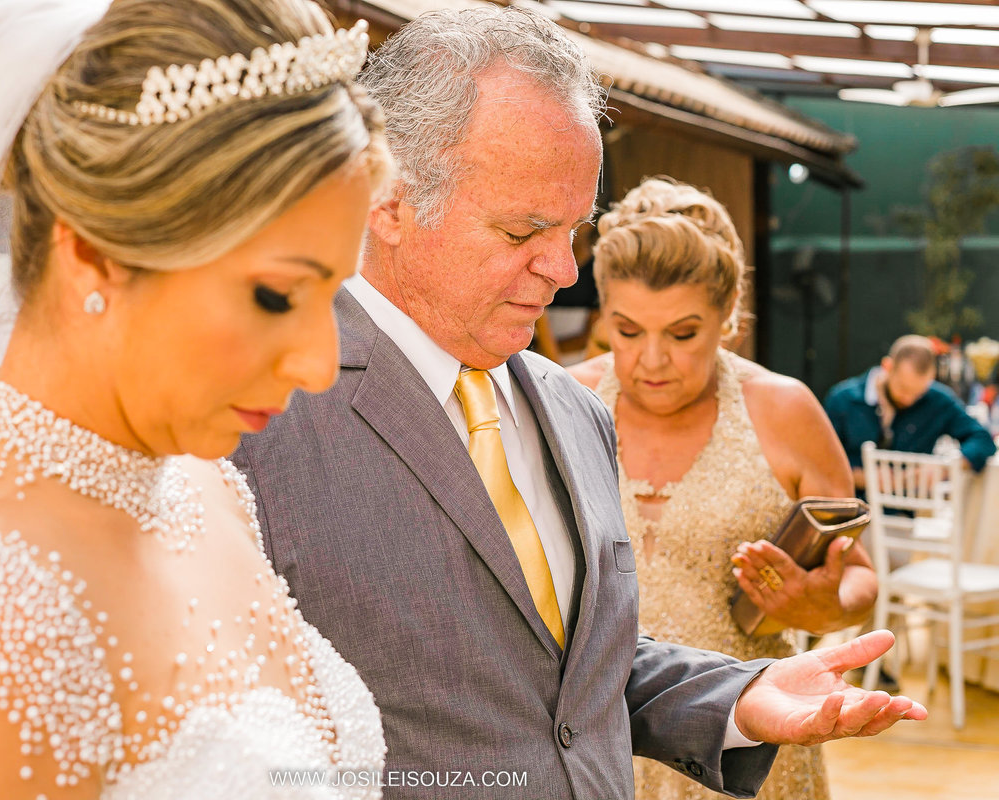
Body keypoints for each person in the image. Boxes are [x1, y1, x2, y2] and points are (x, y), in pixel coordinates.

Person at [232, 8, 924, 800]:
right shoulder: (256, 412)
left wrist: (735, 697)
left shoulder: (575, 408)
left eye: (575, 229)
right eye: (525, 228)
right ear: (387, 197)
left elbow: (572, 672)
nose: (565, 271)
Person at [0, 0, 394, 796]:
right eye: (279, 297)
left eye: (334, 297)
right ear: (94, 256)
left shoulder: (201, 482)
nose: (321, 366)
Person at [569, 177, 878, 800]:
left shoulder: (786, 410)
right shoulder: (562, 399)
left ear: (728, 319)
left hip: (749, 746)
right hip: (598, 745)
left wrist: (818, 605)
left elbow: (859, 578)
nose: (651, 361)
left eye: (683, 335)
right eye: (628, 332)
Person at [825, 334, 997, 492]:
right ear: (887, 366)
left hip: (908, 515)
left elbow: (982, 440)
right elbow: (822, 461)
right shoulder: (843, 399)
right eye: (903, 389)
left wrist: (945, 467)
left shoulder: (937, 400)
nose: (908, 399)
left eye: (918, 393)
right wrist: (861, 477)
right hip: (851, 510)